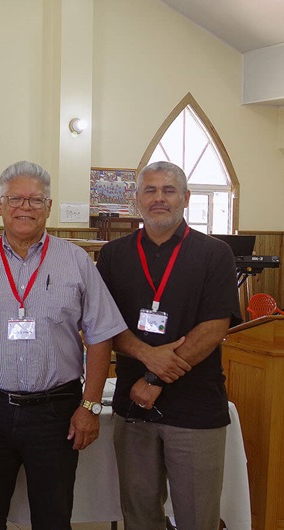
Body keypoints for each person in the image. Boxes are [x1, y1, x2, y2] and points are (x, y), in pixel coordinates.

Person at [0, 160, 126, 530]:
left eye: (35, 200)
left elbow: (101, 333)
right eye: (15, 198)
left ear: (49, 206)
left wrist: (90, 406)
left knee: (53, 516)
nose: (24, 207)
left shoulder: (76, 261)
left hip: (56, 414)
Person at [96, 161, 241, 530]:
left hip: (196, 408)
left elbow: (215, 326)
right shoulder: (114, 256)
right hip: (134, 407)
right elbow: (103, 324)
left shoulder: (215, 253)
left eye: (169, 190)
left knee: (197, 518)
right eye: (151, 190)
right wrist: (148, 356)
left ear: (186, 198)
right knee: (139, 517)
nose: (159, 198)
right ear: (137, 200)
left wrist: (156, 378)